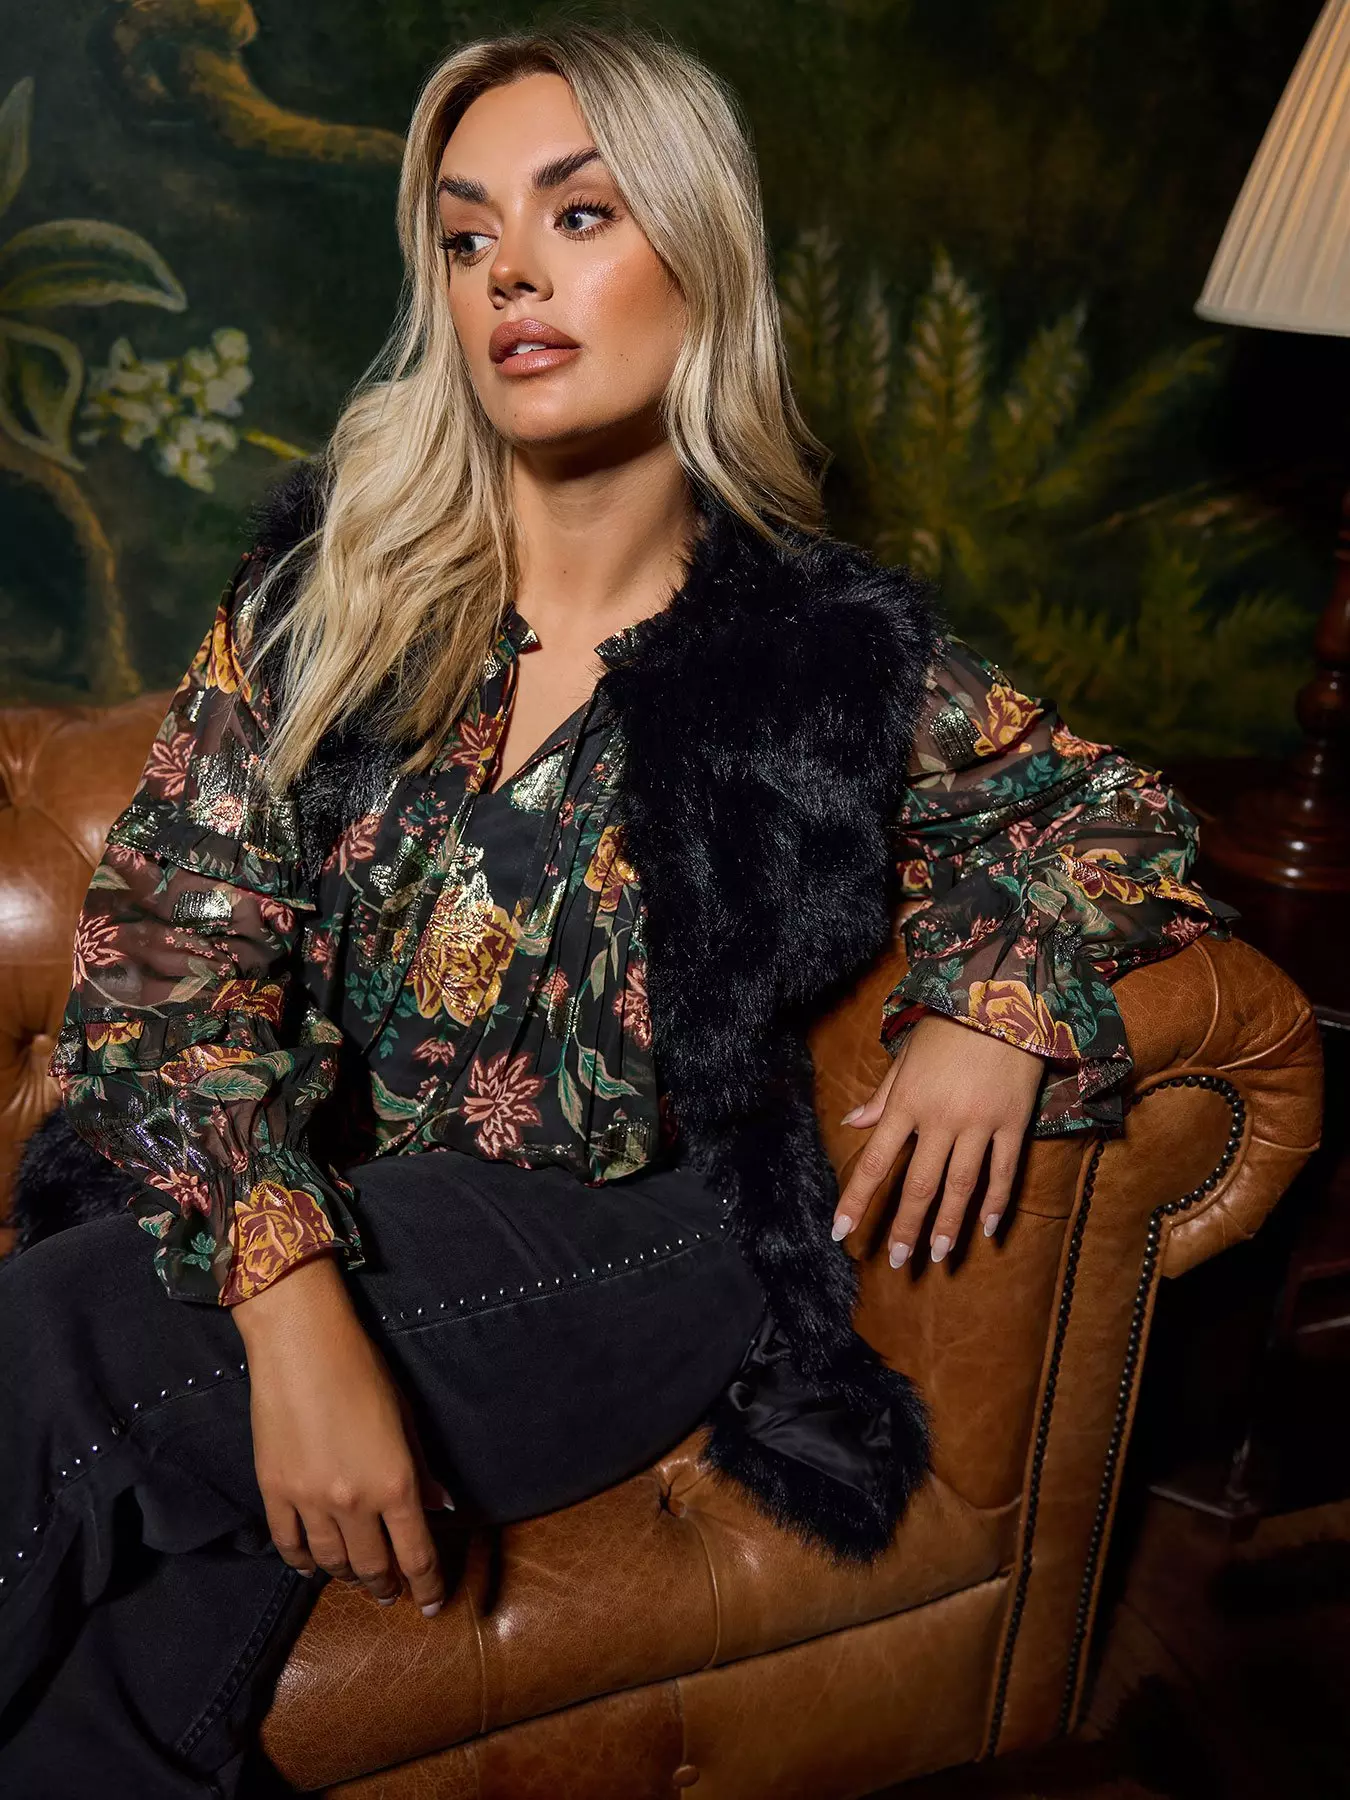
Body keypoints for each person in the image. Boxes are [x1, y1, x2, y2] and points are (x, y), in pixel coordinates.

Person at [0, 22, 1231, 1795]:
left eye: (578, 214)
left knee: (59, 1337)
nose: (510, 269)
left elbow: (1112, 815)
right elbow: (164, 957)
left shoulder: (821, 655)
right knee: (123, 1642)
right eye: (466, 231)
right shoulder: (327, 593)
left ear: (696, 252)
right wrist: (290, 1302)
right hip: (334, 1191)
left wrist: (994, 1000)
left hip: (632, 1250)